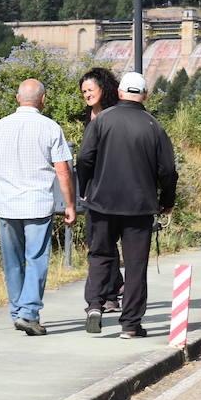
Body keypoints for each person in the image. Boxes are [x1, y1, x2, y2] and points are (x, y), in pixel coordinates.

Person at [77, 71, 178, 339]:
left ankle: (94, 307)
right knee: (135, 265)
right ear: (144, 95)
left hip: (101, 204)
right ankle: (130, 324)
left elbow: (84, 158)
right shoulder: (153, 126)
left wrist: (84, 189)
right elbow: (167, 170)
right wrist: (167, 201)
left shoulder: (102, 121)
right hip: (139, 207)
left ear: (120, 92)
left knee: (100, 255)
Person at [0, 79, 76, 337]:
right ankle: (28, 313)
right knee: (36, 260)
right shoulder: (51, 128)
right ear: (43, 99)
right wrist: (70, 204)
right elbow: (63, 170)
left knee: (12, 263)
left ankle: (18, 312)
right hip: (38, 205)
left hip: (7, 206)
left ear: (18, 99)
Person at [79, 66, 125, 314]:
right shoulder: (90, 116)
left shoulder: (114, 114)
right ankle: (114, 288)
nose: (86, 94)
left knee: (103, 243)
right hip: (95, 188)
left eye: (90, 89)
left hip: (113, 186)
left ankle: (110, 292)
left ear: (103, 88)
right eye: (84, 91)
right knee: (100, 242)